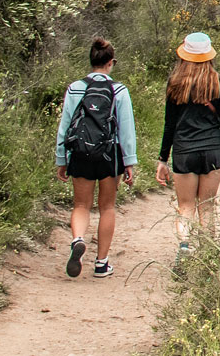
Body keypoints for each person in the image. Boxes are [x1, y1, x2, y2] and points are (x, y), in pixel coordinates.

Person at [54, 38, 136, 278]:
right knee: (107, 207)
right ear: (111, 63)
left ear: (91, 61)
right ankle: (101, 263)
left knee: (81, 205)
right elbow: (126, 129)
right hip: (110, 155)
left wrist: (62, 158)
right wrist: (129, 161)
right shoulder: (119, 90)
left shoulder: (75, 88)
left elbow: (65, 125)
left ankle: (78, 239)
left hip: (80, 152)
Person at [156, 31, 220, 255]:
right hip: (213, 150)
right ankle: (207, 254)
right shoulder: (219, 83)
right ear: (209, 55)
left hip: (184, 150)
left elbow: (169, 124)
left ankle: (184, 246)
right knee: (207, 205)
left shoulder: (175, 83)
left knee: (185, 206)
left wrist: (162, 158)